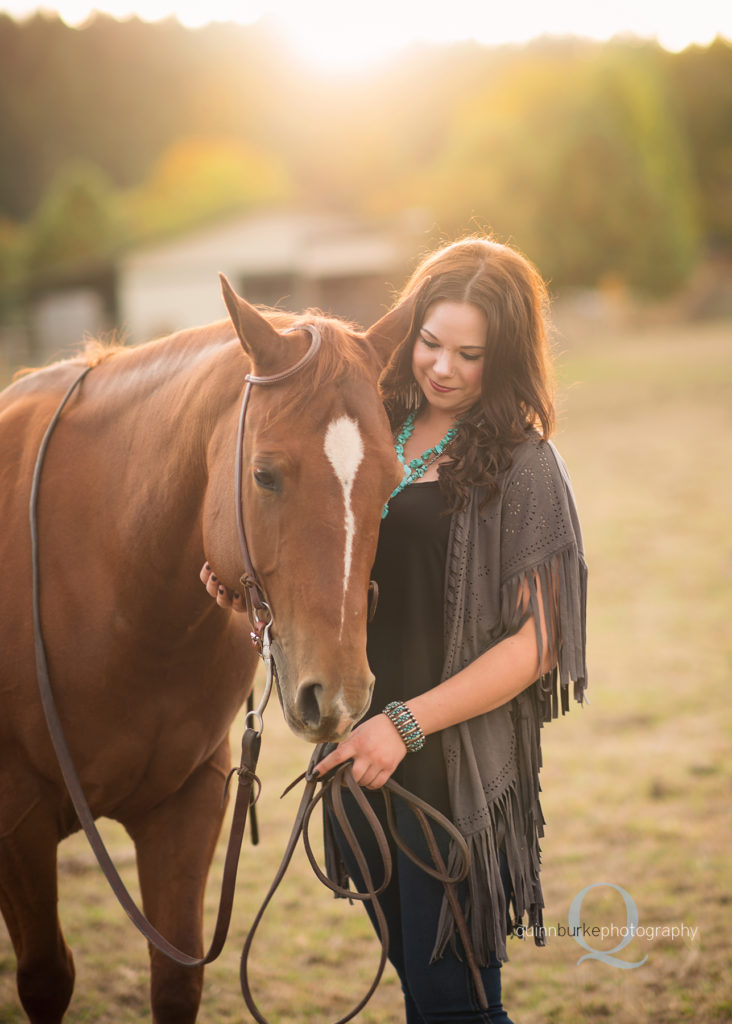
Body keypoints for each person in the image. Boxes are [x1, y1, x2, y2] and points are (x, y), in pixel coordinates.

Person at [203, 237, 587, 1023]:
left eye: (470, 354)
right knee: (424, 1000)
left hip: (450, 770)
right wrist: (250, 603)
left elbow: (540, 641)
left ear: (505, 358)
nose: (443, 368)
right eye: (430, 343)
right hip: (357, 760)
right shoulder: (368, 430)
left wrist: (404, 728)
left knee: (458, 1008)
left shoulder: (524, 465)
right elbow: (335, 574)